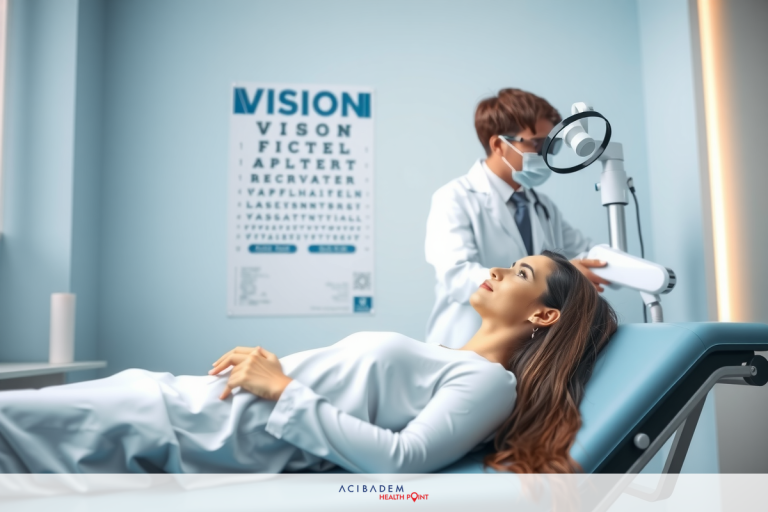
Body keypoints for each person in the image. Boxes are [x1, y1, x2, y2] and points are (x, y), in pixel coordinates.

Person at [0, 252, 616, 474]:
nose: (499, 270)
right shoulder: (451, 354)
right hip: (189, 405)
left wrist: (281, 387)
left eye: (522, 274)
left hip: (206, 433)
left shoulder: (489, 383)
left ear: (542, 317)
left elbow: (402, 463)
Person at [425, 88, 611, 348]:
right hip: (464, 343)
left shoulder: (542, 206)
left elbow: (587, 253)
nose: (546, 154)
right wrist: (570, 274)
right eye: (537, 143)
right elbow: (458, 277)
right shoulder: (454, 198)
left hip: (525, 350)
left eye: (552, 144)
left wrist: (621, 267)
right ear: (499, 144)